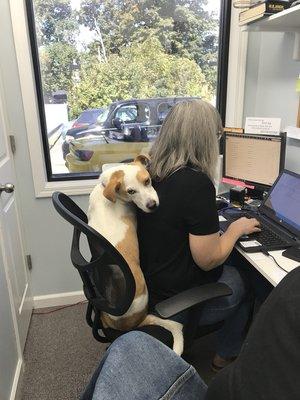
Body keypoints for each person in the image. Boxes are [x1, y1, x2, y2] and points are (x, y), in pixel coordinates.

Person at [136, 99, 263, 370]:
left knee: (235, 259)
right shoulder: (195, 183)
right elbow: (208, 259)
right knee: (248, 279)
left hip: (151, 281)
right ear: (204, 139)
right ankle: (225, 356)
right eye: (217, 136)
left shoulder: (150, 172)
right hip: (175, 299)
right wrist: (236, 228)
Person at [81, 266, 300, 400]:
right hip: (170, 302)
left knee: (131, 345)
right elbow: (207, 259)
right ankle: (223, 356)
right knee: (242, 279)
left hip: (145, 293)